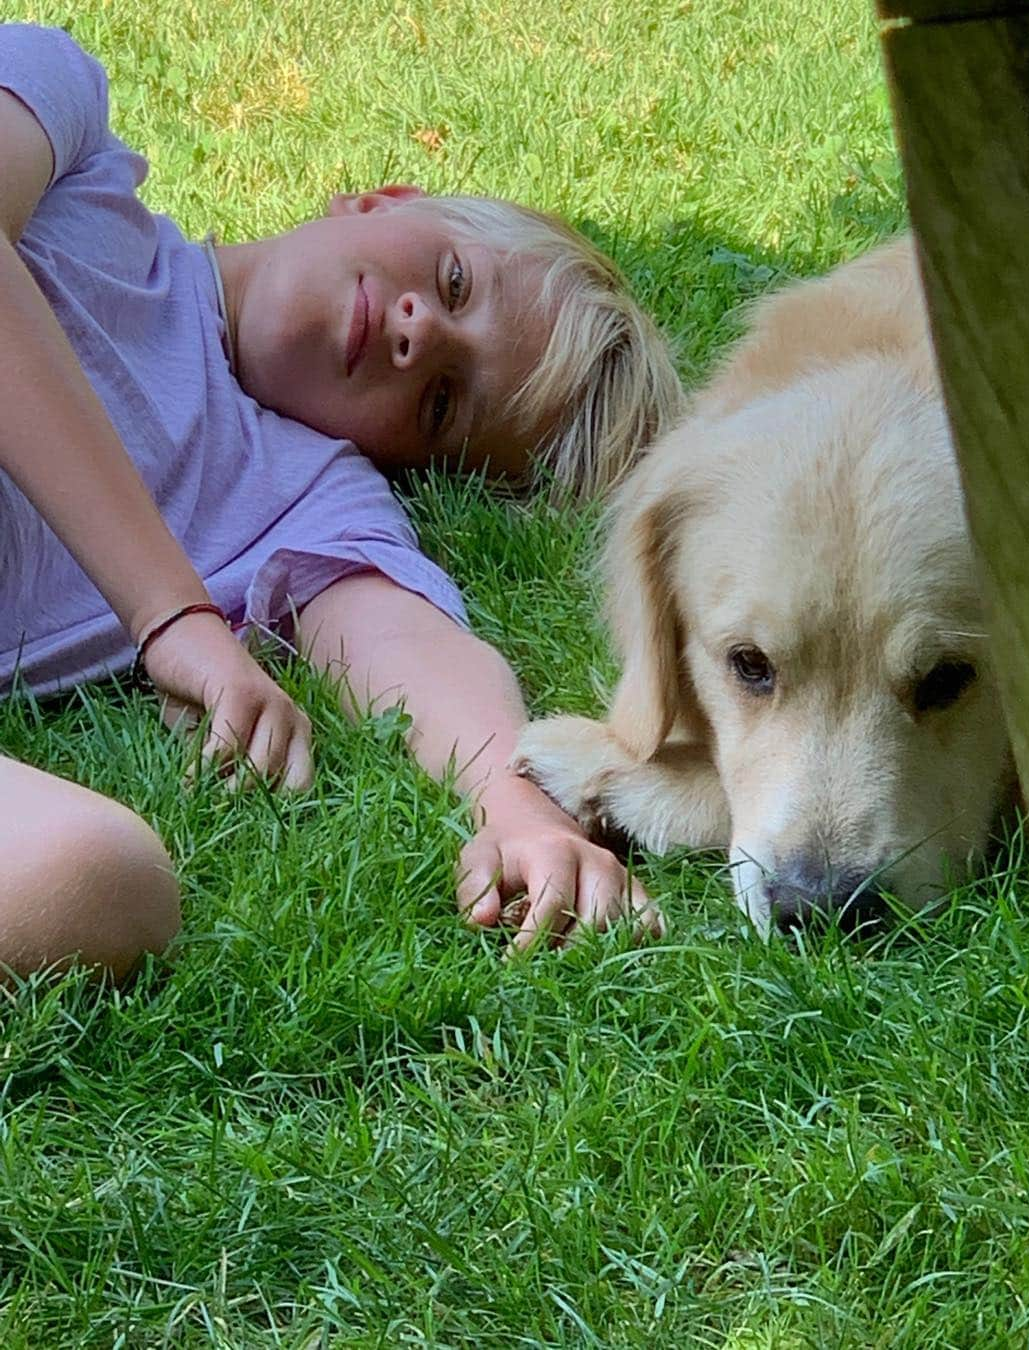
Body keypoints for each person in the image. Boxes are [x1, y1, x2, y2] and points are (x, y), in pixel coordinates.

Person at [0, 23, 685, 981]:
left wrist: (512, 799)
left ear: (413, 463)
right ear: (382, 201)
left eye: (443, 402)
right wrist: (173, 614)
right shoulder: (65, 115)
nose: (419, 332)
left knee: (102, 885)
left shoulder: (302, 496)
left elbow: (410, 647)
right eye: (453, 281)